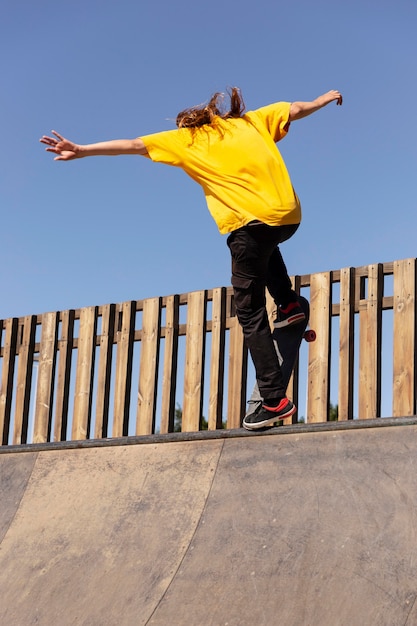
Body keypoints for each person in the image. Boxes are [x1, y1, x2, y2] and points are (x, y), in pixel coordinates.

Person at [40, 87, 342, 430]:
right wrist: (321, 100)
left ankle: (273, 400)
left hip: (248, 227)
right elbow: (295, 108)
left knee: (249, 308)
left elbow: (135, 145)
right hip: (288, 217)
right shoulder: (252, 121)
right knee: (265, 247)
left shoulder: (187, 139)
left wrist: (82, 150)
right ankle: (288, 305)